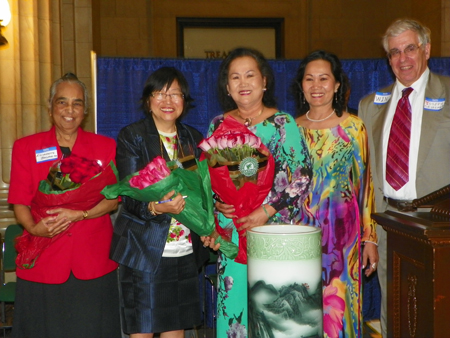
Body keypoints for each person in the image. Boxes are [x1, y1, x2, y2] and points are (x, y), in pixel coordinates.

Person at [201, 47, 312, 338]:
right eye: (235, 77)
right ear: (227, 87)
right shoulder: (217, 125)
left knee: (274, 314)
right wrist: (217, 203)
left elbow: (302, 176)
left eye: (250, 75)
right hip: (233, 233)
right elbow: (209, 177)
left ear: (264, 81)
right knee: (234, 311)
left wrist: (267, 210)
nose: (243, 83)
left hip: (271, 231)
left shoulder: (282, 124)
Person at [7, 73, 121, 338]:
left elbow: (113, 199)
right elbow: (20, 203)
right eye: (62, 102)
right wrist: (34, 229)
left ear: (85, 110)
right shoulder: (26, 147)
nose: (69, 110)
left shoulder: (105, 147)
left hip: (93, 260)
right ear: (50, 107)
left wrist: (80, 214)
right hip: (44, 259)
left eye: (77, 103)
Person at [358, 18, 450, 338]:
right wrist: (369, 234)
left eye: (410, 48)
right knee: (395, 311)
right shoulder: (370, 106)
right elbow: (366, 176)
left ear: (427, 49)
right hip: (388, 224)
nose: (403, 59)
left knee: (439, 314)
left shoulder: (449, 94)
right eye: (394, 52)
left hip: (439, 226)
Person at [110, 67, 209, 338]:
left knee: (175, 329)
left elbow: (203, 190)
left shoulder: (193, 139)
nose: (168, 101)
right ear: (148, 101)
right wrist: (155, 207)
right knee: (142, 330)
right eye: (160, 94)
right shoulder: (133, 136)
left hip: (184, 251)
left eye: (175, 94)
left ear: (184, 101)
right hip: (145, 251)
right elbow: (129, 194)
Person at [292, 50, 378, 338]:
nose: (316, 85)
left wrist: (369, 238)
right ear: (301, 85)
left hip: (343, 236)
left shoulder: (354, 128)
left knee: (339, 307)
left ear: (337, 84)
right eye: (309, 79)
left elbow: (365, 185)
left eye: (324, 78)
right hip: (299, 232)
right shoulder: (291, 128)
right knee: (301, 305)